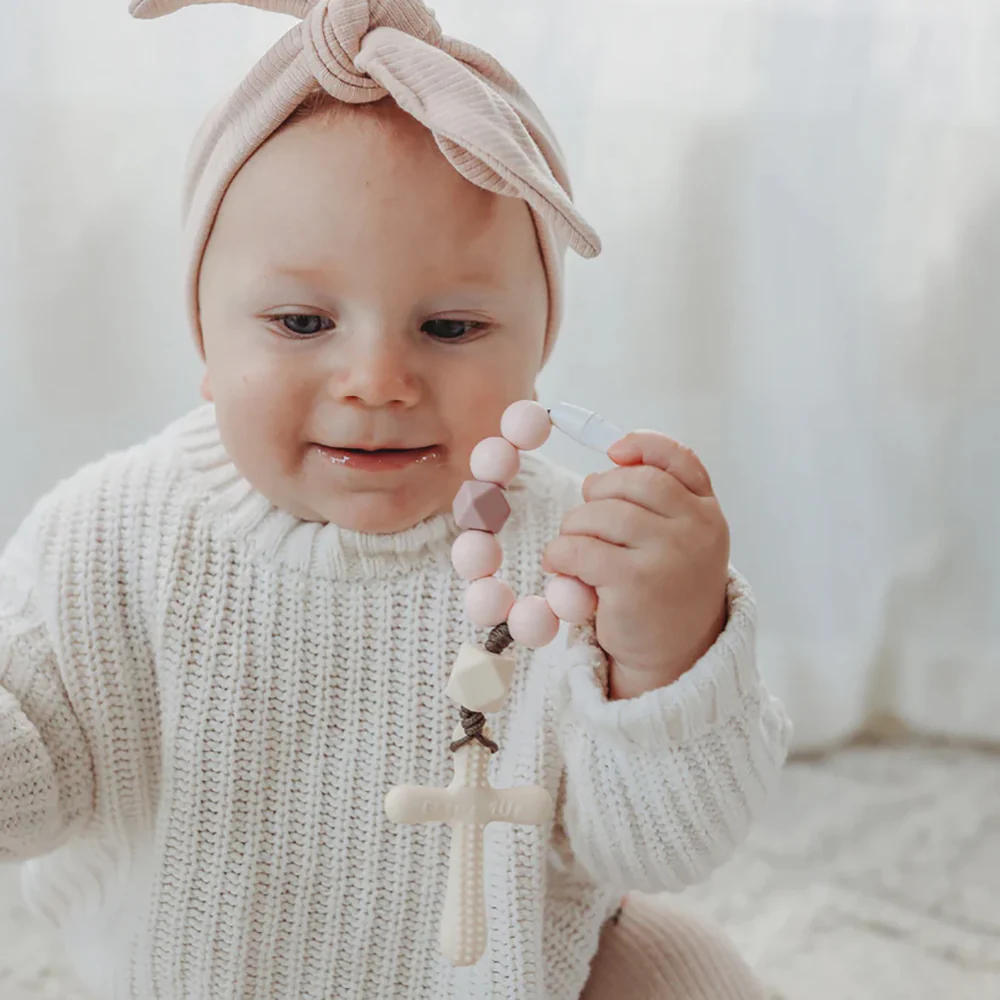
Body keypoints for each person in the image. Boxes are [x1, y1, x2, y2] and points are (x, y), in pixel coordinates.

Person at [0, 1, 791, 997]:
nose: (376, 377)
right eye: (299, 320)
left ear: (537, 348)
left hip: (499, 971)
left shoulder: (569, 556)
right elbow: (30, 792)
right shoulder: (106, 533)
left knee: (691, 970)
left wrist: (669, 653)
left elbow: (661, 848)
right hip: (198, 971)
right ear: (205, 338)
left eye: (451, 327)